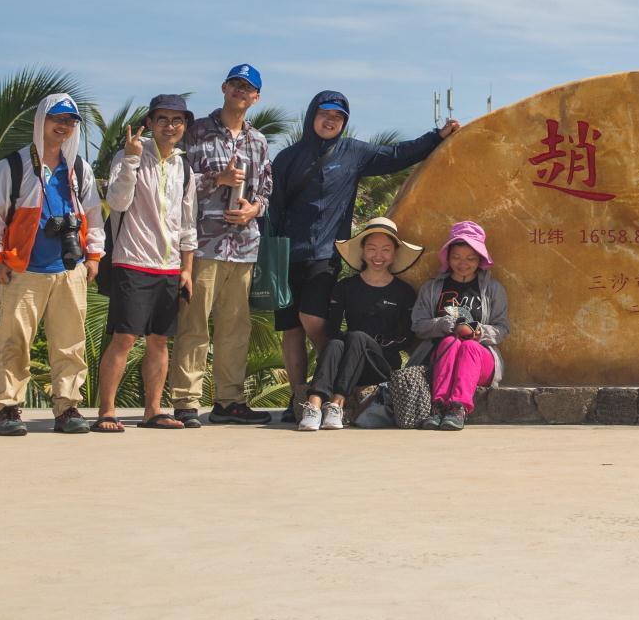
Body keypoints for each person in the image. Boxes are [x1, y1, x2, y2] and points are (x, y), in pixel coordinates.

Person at [269, 91, 458, 421]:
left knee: (312, 320)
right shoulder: (287, 158)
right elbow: (273, 207)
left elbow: (398, 153)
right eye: (325, 114)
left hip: (324, 253)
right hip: (286, 253)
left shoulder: (353, 153)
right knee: (291, 329)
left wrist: (436, 136)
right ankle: (298, 397)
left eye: (339, 117)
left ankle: (333, 376)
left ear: (344, 123)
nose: (331, 121)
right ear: (313, 115)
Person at [0, 92, 103, 436]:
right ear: (41, 121)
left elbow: (93, 216)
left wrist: (93, 256)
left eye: (70, 122)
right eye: (57, 119)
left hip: (68, 269)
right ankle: (7, 408)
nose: (64, 127)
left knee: (70, 342)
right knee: (14, 341)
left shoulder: (78, 169)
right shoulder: (13, 167)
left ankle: (68, 406)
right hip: (24, 269)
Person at [170, 64, 275, 426]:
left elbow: (266, 189)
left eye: (248, 88)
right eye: (236, 84)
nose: (241, 91)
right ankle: (186, 400)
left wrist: (254, 209)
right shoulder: (195, 131)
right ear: (224, 87)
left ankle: (229, 401)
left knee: (235, 327)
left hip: (243, 246)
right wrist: (218, 179)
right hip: (202, 244)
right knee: (194, 324)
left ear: (256, 97)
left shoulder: (258, 141)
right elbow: (176, 180)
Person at [94, 95, 200, 432]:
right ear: (150, 124)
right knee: (124, 339)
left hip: (169, 268)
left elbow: (188, 222)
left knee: (159, 340)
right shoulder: (130, 156)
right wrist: (130, 161)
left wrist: (187, 269)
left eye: (177, 120)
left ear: (184, 126)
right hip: (133, 261)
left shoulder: (184, 167)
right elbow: (117, 201)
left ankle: (153, 410)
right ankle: (106, 412)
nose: (170, 126)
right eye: (163, 119)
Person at [297, 217, 425, 431]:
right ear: (363, 251)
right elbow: (332, 329)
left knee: (356, 336)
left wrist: (374, 342)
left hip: (381, 364)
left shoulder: (404, 292)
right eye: (372, 249)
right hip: (348, 359)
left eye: (385, 250)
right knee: (337, 343)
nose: (378, 256)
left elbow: (407, 336)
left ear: (394, 254)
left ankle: (337, 403)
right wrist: (349, 342)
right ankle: (314, 406)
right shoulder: (345, 287)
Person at [409, 221, 509, 431]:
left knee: (469, 346)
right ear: (448, 257)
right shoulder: (432, 288)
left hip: (480, 360)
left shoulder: (493, 289)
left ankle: (457, 407)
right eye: (457, 257)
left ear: (480, 259)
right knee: (450, 341)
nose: (463, 263)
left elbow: (502, 328)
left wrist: (481, 332)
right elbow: (418, 325)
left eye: (470, 258)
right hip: (440, 358)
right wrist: (445, 325)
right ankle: (437, 406)